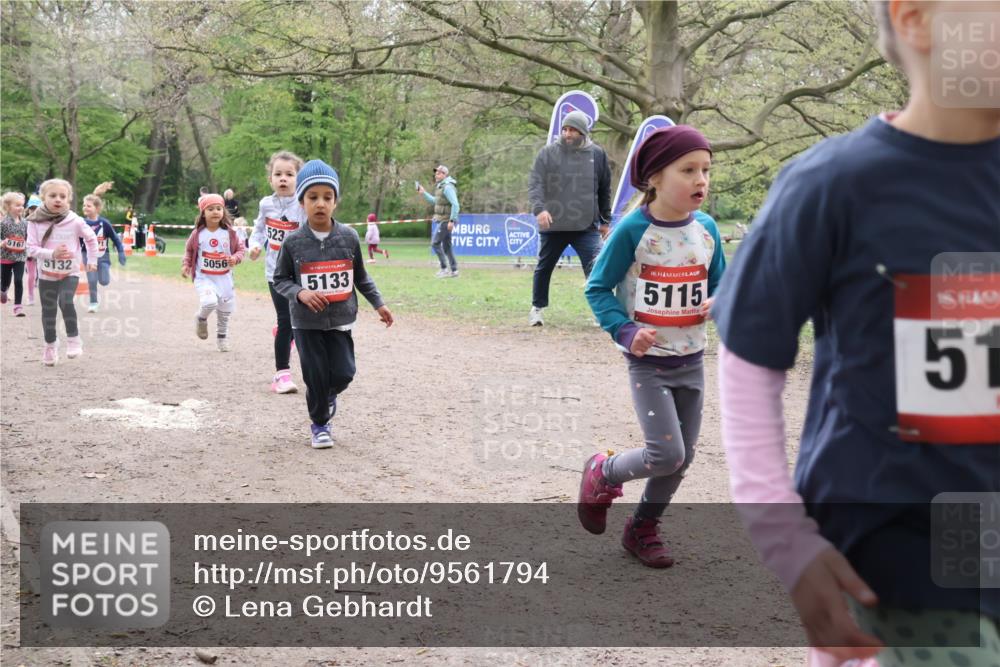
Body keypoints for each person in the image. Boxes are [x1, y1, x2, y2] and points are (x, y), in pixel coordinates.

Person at [711, 1, 1000, 665]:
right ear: (917, 19)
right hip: (895, 563)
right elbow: (749, 357)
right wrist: (787, 542)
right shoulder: (832, 185)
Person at [579, 126, 725, 568]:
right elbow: (597, 289)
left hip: (692, 360)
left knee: (682, 460)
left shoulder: (706, 229)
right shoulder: (633, 230)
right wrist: (625, 331)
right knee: (667, 453)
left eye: (706, 170)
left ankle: (642, 528)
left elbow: (720, 281)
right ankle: (602, 471)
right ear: (655, 178)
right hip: (649, 364)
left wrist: (720, 299)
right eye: (688, 170)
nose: (701, 180)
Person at [272, 160, 393, 449]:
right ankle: (320, 424)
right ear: (302, 202)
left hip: (340, 319)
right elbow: (280, 279)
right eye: (313, 197)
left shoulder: (349, 237)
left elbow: (360, 276)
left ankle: (328, 395)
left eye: (328, 197)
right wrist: (300, 293)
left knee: (343, 373)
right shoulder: (293, 242)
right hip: (306, 323)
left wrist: (379, 303)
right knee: (315, 376)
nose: (320, 204)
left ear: (336, 201)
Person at [527, 109, 612, 326]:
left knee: (596, 269)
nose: (567, 133)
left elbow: (604, 189)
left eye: (572, 129)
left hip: (586, 226)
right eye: (564, 129)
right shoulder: (547, 153)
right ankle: (537, 309)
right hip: (553, 223)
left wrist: (605, 220)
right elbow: (536, 184)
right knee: (544, 267)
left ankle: (599, 312)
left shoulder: (598, 155)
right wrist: (540, 209)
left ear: (583, 132)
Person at [248, 150, 306, 394]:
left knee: (299, 322)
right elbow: (259, 230)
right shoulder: (266, 204)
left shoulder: (304, 203)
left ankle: (291, 336)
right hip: (275, 273)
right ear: (270, 179)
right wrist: (254, 245)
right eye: (278, 174)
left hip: (302, 274)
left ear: (299, 178)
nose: (283, 178)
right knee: (286, 321)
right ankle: (281, 375)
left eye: (290, 174)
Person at [25, 179, 98, 365]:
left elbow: (91, 239)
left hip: (69, 272)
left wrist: (92, 260)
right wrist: (52, 254)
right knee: (48, 311)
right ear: (43, 198)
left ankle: (74, 340)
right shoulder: (34, 221)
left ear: (69, 200)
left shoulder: (75, 221)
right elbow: (31, 249)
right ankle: (50, 345)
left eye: (62, 196)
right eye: (52, 195)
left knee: (65, 302)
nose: (58, 199)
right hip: (46, 273)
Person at [181, 193, 244, 352]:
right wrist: (186, 265)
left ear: (223, 211)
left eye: (218, 208)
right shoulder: (198, 234)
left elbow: (241, 250)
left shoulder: (230, 233)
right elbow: (189, 251)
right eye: (210, 209)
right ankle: (201, 318)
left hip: (224, 278)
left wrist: (235, 258)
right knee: (209, 302)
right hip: (204, 277)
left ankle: (222, 338)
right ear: (203, 213)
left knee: (224, 312)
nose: (215, 212)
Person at [81, 194, 126, 313]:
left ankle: (104, 272)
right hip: (87, 255)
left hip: (103, 257)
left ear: (97, 208)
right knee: (92, 279)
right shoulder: (81, 223)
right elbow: (76, 240)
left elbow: (115, 239)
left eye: (88, 206)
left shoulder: (105, 223)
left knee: (104, 281)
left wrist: (121, 251)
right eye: (84, 205)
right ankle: (93, 302)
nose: (85, 207)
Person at [417, 165, 459, 278]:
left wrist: (452, 220)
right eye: (436, 173)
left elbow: (455, 204)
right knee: (447, 247)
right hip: (444, 220)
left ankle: (444, 269)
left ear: (444, 175)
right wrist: (423, 193)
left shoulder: (447, 187)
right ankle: (454, 270)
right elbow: (435, 201)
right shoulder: (441, 187)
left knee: (435, 243)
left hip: (446, 220)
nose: (436, 175)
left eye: (439, 173)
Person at [1, 191, 28, 316]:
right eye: (17, 205)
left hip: (20, 257)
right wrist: (2, 243)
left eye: (22, 205)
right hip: (5, 256)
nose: (21, 208)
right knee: (5, 281)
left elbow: (29, 237)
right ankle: (3, 290)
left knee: (18, 280)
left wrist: (29, 245)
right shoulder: (3, 223)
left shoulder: (25, 223)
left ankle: (18, 307)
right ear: (8, 207)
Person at [24, 194, 41, 306]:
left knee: (44, 274)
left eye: (36, 208)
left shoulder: (45, 222)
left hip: (43, 252)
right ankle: (30, 296)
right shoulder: (25, 222)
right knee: (32, 275)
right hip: (30, 252)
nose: (34, 211)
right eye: (31, 208)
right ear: (28, 209)